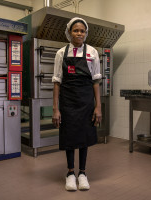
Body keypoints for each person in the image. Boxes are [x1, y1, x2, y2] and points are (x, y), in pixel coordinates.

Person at [52, 17, 102, 191]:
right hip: (67, 102)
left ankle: (82, 173)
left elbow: (96, 81)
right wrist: (55, 108)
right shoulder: (61, 53)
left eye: (82, 31)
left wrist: (98, 106)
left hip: (86, 101)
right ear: (69, 32)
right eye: (76, 30)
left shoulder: (92, 52)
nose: (79, 33)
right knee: (69, 137)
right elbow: (57, 82)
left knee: (84, 137)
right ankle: (70, 173)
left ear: (85, 33)